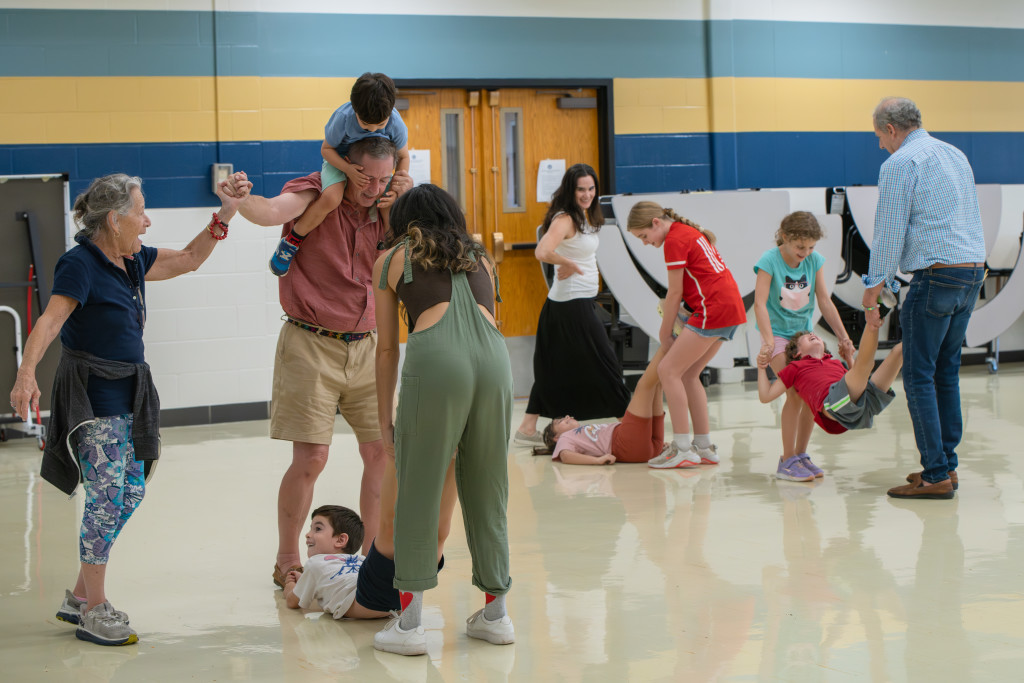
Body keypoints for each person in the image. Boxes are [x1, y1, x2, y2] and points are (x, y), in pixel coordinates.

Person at [8, 173, 240, 646]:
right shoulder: (81, 264)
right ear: (114, 220)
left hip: (130, 393)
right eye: (140, 212)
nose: (147, 221)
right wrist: (26, 372)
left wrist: (226, 214)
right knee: (106, 497)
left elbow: (190, 259)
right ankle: (95, 609)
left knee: (129, 493)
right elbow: (51, 320)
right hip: (92, 396)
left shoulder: (131, 259)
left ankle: (77, 596)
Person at [224, 137, 412, 586]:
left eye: (385, 179)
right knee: (311, 457)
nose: (375, 188)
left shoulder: (390, 203)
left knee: (381, 453)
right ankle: (288, 556)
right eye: (368, 177)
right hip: (311, 341)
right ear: (347, 167)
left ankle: (373, 559)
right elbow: (270, 212)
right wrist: (238, 198)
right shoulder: (315, 192)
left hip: (369, 345)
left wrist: (405, 200)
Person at [372, 184, 514, 656]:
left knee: (418, 490)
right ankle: (496, 615)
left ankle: (410, 626)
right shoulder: (482, 255)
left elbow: (388, 348)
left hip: (436, 363)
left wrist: (383, 418)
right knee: (489, 486)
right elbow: (493, 319)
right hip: (496, 362)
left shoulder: (393, 258)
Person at [861, 97, 986, 500]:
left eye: (879, 136)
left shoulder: (899, 163)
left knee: (918, 377)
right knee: (945, 374)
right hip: (971, 273)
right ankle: (946, 467)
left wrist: (875, 284)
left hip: (936, 277)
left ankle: (934, 475)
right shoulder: (954, 154)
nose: (881, 144)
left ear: (892, 129)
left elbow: (889, 228)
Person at [513, 164, 630, 447]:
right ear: (571, 190)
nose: (587, 194)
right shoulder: (565, 219)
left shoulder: (585, 217)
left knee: (553, 368)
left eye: (591, 188)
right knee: (605, 362)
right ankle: (628, 421)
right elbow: (542, 250)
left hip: (578, 303)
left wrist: (569, 261)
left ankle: (527, 429)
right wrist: (565, 263)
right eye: (581, 189)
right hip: (569, 306)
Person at [627, 202, 746, 469]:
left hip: (713, 309)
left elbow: (674, 293)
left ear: (656, 223)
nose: (645, 243)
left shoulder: (674, 239)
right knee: (690, 374)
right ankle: (703, 447)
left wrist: (665, 330)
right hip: (731, 308)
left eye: (644, 236)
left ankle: (681, 448)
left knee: (668, 370)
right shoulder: (688, 232)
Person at [268, 72, 411, 276]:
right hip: (341, 161)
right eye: (365, 125)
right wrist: (348, 170)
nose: (372, 130)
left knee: (389, 203)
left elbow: (404, 157)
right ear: (355, 110)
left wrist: (397, 186)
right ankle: (292, 241)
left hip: (375, 167)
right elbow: (326, 150)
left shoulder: (396, 122)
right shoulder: (343, 118)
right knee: (331, 198)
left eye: (379, 125)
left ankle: (395, 252)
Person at [753, 211, 855, 481]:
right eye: (800, 247)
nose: (805, 252)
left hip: (802, 334)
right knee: (795, 393)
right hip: (777, 335)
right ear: (785, 238)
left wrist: (843, 337)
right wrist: (767, 340)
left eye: (810, 247)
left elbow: (824, 300)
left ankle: (799, 455)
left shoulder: (814, 261)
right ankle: (787, 460)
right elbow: (760, 303)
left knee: (810, 395)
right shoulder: (769, 260)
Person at [756, 325, 906, 471]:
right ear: (797, 352)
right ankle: (872, 322)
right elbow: (766, 396)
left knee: (899, 351)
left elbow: (857, 382)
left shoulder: (834, 362)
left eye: (814, 336)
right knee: (864, 366)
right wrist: (761, 367)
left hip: (859, 403)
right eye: (807, 338)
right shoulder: (795, 367)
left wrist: (848, 358)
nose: (812, 335)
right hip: (832, 403)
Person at [533, 348, 670, 465]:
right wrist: (597, 461)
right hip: (627, 444)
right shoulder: (565, 438)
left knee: (656, 386)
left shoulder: (579, 436)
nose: (566, 417)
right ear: (555, 437)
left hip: (647, 447)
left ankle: (671, 342)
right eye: (559, 421)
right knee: (644, 386)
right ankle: (669, 340)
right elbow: (566, 456)